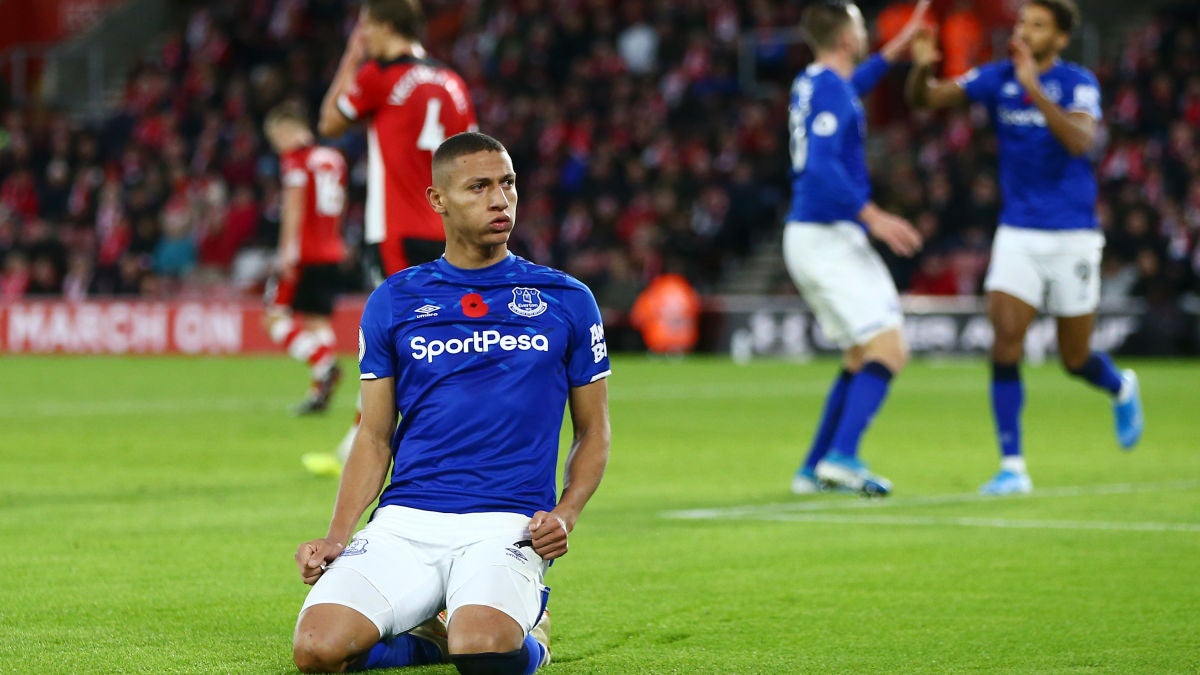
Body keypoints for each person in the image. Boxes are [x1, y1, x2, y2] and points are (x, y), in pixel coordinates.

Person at [292, 132, 612, 675]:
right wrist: (337, 536)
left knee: (483, 650)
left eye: (508, 184)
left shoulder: (567, 299)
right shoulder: (394, 300)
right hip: (405, 522)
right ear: (437, 200)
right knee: (317, 650)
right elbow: (374, 435)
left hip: (508, 523)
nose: (500, 200)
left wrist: (566, 511)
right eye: (479, 187)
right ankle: (432, 638)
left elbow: (593, 431)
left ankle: (530, 630)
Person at [905, 0, 1144, 495]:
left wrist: (1034, 88)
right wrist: (922, 66)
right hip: (1018, 232)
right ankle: (1012, 466)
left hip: (1073, 234)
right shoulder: (997, 77)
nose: (1025, 31)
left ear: (1060, 39)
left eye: (1038, 25)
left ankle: (1120, 386)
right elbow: (925, 100)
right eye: (1022, 23)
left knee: (1074, 358)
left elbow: (1080, 141)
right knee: (1005, 342)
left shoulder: (1077, 83)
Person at [307, 0, 479, 475]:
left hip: (398, 229)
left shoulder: (379, 76)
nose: (362, 35)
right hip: (453, 228)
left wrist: (350, 58)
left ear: (384, 26)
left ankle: (386, 448)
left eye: (365, 26)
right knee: (449, 336)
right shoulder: (452, 82)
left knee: (397, 339)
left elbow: (329, 122)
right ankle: (364, 445)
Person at [785, 0, 930, 497]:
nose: (867, 33)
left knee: (858, 354)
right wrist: (874, 216)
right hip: (828, 235)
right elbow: (821, 164)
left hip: (810, 235)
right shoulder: (830, 87)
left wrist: (897, 48)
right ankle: (843, 458)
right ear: (847, 38)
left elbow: (856, 83)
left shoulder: (815, 82)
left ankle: (813, 468)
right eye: (862, 27)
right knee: (890, 347)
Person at [262, 102, 348, 415]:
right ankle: (318, 393)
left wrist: (286, 252)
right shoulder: (334, 158)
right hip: (331, 250)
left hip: (304, 253)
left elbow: (294, 207)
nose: (277, 146)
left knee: (273, 318)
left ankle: (324, 364)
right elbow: (339, 204)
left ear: (288, 130)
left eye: (276, 138)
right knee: (316, 321)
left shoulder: (296, 160)